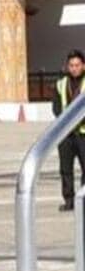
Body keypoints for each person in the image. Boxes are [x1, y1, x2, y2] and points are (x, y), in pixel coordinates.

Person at [52, 49, 85, 211]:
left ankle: (83, 199)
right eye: (71, 65)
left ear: (83, 66)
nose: (74, 68)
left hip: (83, 133)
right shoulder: (61, 83)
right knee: (65, 169)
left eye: (77, 65)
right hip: (65, 134)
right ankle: (69, 200)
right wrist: (65, 122)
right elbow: (56, 107)